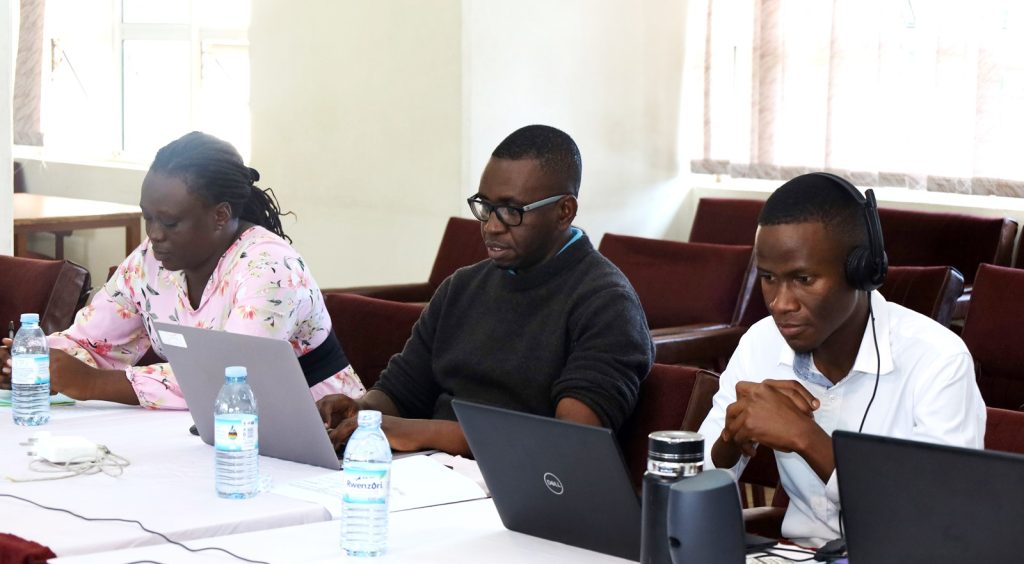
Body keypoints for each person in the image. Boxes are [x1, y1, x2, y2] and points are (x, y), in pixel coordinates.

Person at [317, 124, 654, 456]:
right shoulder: (462, 286)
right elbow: (400, 392)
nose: (492, 226)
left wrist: (419, 433)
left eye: (511, 211)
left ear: (564, 211)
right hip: (432, 475)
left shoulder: (607, 302)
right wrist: (361, 412)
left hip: (526, 492)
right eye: (486, 206)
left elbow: (568, 442)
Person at [697, 172, 986, 547]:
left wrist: (805, 437)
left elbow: (938, 524)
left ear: (861, 272)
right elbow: (693, 481)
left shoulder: (938, 361)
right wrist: (729, 443)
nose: (781, 303)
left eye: (803, 279)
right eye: (769, 278)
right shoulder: (761, 343)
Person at [1, 131, 365, 408]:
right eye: (148, 217)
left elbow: (227, 375)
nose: (154, 234)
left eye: (171, 222)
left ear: (220, 215)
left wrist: (94, 384)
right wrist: (34, 363)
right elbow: (91, 341)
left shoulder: (270, 269)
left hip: (313, 427)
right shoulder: (150, 262)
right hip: (205, 428)